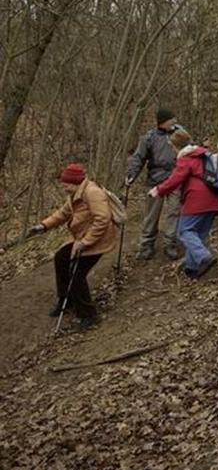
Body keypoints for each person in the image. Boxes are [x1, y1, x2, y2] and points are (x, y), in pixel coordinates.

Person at [29, 163, 115, 330]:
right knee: (61, 258)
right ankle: (66, 299)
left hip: (97, 239)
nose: (63, 186)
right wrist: (44, 225)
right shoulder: (75, 193)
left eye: (65, 183)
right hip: (81, 236)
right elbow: (63, 213)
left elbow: (103, 219)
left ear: (74, 182)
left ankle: (88, 315)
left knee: (76, 273)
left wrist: (85, 242)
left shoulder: (92, 193)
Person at [149, 134, 218, 278]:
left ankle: (203, 256)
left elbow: (175, 180)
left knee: (184, 231)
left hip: (197, 200)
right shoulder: (203, 154)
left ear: (176, 146)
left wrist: (158, 190)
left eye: (171, 146)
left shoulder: (187, 158)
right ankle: (192, 268)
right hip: (214, 198)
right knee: (199, 234)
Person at [126, 108, 185, 260]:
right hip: (155, 179)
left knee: (174, 211)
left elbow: (189, 149)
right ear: (164, 121)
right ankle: (147, 245)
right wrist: (132, 174)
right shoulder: (149, 137)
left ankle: (170, 243)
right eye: (172, 119)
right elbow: (139, 157)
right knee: (151, 214)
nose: (174, 122)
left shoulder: (179, 133)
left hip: (175, 178)